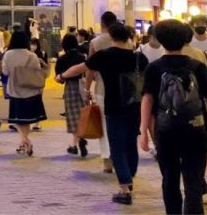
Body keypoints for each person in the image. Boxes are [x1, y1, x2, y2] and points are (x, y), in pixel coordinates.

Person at [139, 19, 207, 215]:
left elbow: (147, 100)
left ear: (159, 39)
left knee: (169, 180)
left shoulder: (154, 68)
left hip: (166, 131)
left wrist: (143, 132)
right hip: (196, 130)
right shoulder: (197, 66)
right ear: (185, 39)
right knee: (194, 182)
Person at [63, 23, 148, 205]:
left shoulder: (104, 56)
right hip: (135, 106)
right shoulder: (139, 58)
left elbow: (81, 69)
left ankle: (124, 188)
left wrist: (62, 76)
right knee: (130, 143)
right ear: (128, 37)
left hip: (114, 106)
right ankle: (129, 177)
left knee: (116, 146)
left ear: (111, 37)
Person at [2, 31, 48, 156]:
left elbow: (5, 72)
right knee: (26, 120)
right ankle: (24, 141)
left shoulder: (8, 54)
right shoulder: (31, 55)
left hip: (15, 91)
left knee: (19, 119)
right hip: (30, 91)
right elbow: (37, 71)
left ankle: (23, 141)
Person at [86, 11, 118, 173]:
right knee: (119, 123)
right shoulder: (125, 41)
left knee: (104, 123)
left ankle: (107, 159)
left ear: (102, 23)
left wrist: (86, 88)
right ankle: (119, 155)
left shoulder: (95, 42)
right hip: (122, 88)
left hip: (102, 87)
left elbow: (90, 68)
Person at [55, 33, 88, 157]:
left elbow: (59, 79)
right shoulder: (82, 57)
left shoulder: (62, 59)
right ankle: (80, 140)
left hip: (70, 88)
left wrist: (62, 77)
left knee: (73, 118)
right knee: (83, 115)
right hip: (82, 86)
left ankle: (75, 144)